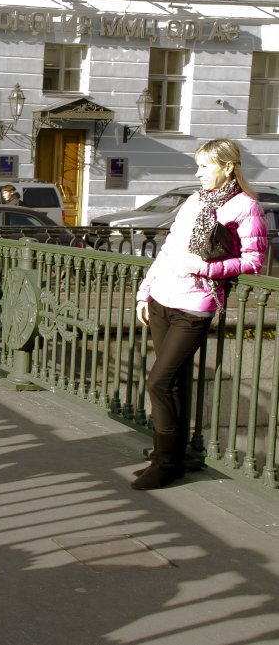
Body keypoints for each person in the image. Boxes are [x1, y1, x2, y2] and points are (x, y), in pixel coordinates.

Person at [133, 139, 267, 491]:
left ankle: (164, 464)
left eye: (205, 166)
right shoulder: (194, 201)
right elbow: (167, 251)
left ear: (227, 167)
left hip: (194, 307)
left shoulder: (245, 207)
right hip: (162, 299)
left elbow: (254, 261)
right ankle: (172, 460)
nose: (198, 173)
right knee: (172, 383)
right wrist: (144, 292)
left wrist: (208, 267)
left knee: (158, 382)